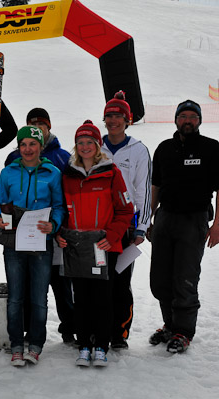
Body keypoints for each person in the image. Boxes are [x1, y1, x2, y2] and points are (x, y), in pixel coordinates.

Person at [57, 120, 133, 368]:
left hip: (102, 246)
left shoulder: (112, 173)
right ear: (76, 146)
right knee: (81, 297)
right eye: (81, 142)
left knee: (103, 297)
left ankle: (101, 344)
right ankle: (84, 344)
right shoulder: (68, 175)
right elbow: (61, 211)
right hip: (77, 247)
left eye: (90, 142)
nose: (85, 146)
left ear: (98, 145)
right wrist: (60, 233)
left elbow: (125, 210)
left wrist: (111, 237)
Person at [148, 100, 219, 353]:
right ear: (176, 120)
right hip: (165, 218)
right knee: (160, 279)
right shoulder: (164, 148)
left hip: (194, 220)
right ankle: (169, 325)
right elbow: (156, 186)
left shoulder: (211, 148)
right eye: (183, 116)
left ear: (199, 120)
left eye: (193, 116)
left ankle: (183, 331)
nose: (188, 120)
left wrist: (218, 223)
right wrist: (150, 218)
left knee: (185, 279)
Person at [0, 126, 64, 367]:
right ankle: (16, 344)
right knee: (15, 297)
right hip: (13, 241)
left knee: (38, 297)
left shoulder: (52, 173)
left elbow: (59, 206)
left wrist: (53, 224)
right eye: (23, 144)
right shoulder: (8, 173)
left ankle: (35, 344)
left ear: (40, 147)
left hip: (40, 242)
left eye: (32, 144)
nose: (27, 149)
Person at [5, 108, 75, 344]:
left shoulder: (62, 158)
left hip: (50, 235)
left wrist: (57, 227)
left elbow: (64, 201)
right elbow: (3, 201)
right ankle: (23, 332)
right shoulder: (12, 162)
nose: (28, 148)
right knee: (23, 287)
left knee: (59, 284)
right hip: (20, 238)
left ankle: (69, 328)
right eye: (33, 125)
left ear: (48, 127)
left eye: (42, 126)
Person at [100, 92, 152, 350]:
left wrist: (141, 226)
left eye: (118, 116)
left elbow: (142, 190)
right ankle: (98, 329)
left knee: (120, 281)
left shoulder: (138, 150)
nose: (113, 120)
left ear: (127, 120)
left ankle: (119, 332)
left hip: (125, 225)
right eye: (109, 115)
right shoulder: (95, 147)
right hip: (97, 225)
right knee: (98, 280)